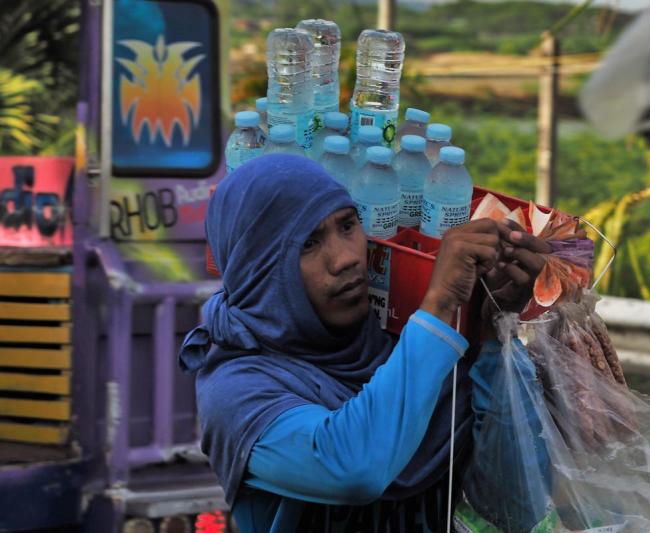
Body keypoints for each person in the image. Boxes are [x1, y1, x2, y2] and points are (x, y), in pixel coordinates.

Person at [179, 154, 550, 532]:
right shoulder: (238, 388)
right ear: (258, 269)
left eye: (347, 224)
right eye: (308, 243)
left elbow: (519, 507)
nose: (345, 259)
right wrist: (439, 304)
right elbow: (355, 466)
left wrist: (494, 335)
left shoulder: (413, 348)